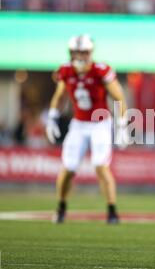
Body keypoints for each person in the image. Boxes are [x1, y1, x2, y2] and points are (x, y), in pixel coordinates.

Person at [46, 34, 128, 224]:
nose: (80, 56)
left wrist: (122, 125)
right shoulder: (65, 71)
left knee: (101, 166)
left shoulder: (100, 70)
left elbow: (119, 97)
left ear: (90, 52)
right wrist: (52, 118)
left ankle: (112, 211)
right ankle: (61, 207)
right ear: (71, 53)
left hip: (100, 123)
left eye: (83, 52)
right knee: (69, 168)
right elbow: (60, 96)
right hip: (79, 124)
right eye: (76, 52)